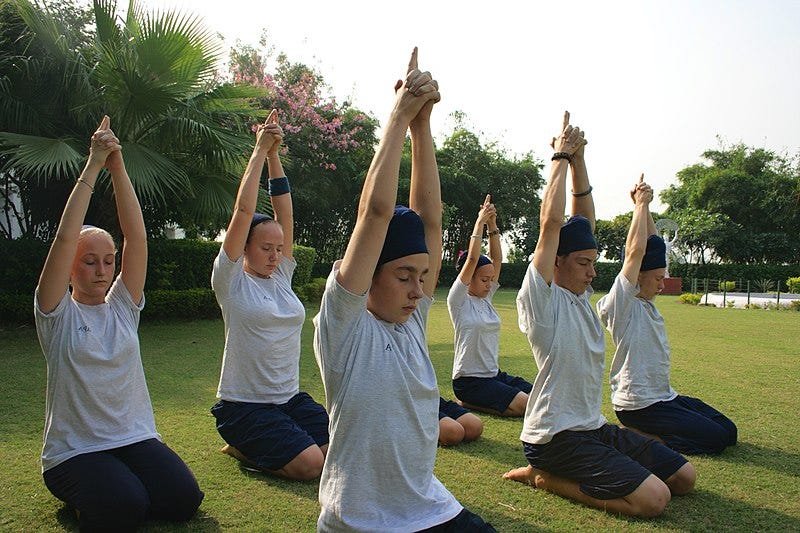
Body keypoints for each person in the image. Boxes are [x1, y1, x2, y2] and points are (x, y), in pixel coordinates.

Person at [313, 49, 495, 532]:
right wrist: (397, 116)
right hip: (360, 520)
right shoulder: (343, 326)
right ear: (368, 274)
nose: (419, 291)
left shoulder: (411, 318)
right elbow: (374, 215)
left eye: (423, 276)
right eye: (403, 276)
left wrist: (423, 127)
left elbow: (430, 221)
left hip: (426, 507)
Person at [503, 112, 696, 518]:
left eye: (594, 262)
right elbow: (552, 224)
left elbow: (581, 221)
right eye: (583, 263)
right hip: (554, 437)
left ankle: (569, 471)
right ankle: (545, 477)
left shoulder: (578, 294)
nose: (593, 272)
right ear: (555, 263)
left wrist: (580, 160)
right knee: (654, 500)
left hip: (592, 427)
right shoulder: (543, 300)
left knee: (683, 477)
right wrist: (558, 157)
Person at [34, 116, 203, 531]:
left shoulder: (123, 306)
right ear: (70, 267)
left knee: (183, 501)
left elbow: (137, 238)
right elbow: (63, 238)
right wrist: (93, 164)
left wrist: (118, 165)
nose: (102, 270)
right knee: (126, 509)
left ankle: (112, 489)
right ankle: (83, 497)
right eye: (89, 261)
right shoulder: (56, 312)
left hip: (132, 437)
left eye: (108, 261)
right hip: (74, 451)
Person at [210, 109, 329, 480]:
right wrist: (260, 151)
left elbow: (285, 215)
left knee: (340, 447)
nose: (275, 255)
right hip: (245, 406)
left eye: (279, 248)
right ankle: (242, 447)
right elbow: (244, 211)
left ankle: (267, 445)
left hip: (288, 399)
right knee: (312, 466)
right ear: (244, 248)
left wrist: (276, 155)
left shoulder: (280, 277)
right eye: (266, 248)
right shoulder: (230, 281)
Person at [596, 175, 737, 455]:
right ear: (637, 277)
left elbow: (650, 244)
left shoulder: (646, 303)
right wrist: (639, 205)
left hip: (664, 397)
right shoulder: (622, 304)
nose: (662, 284)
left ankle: (653, 431)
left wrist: (646, 208)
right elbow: (635, 252)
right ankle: (640, 436)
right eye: (658, 278)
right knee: (716, 441)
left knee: (728, 430)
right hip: (639, 406)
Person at [447, 195, 532, 417]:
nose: (489, 284)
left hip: (493, 375)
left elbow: (496, 259)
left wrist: (492, 224)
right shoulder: (458, 301)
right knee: (527, 406)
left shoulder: (486, 299)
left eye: (490, 279)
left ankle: (475, 402)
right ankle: (468, 402)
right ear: (469, 278)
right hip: (469, 381)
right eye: (484, 280)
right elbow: (472, 260)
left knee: (540, 397)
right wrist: (479, 222)